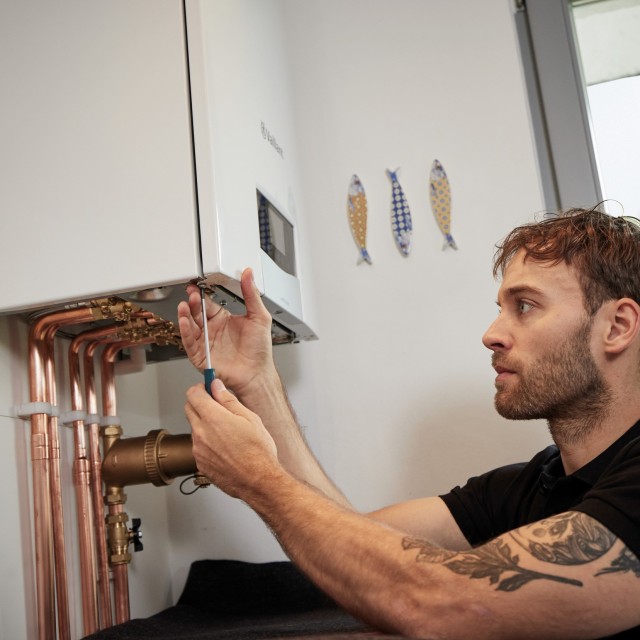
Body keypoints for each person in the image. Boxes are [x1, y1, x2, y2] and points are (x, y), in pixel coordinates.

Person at [177, 207, 640, 640]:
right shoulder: (533, 485)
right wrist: (260, 383)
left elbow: (442, 601)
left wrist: (259, 478)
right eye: (501, 307)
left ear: (617, 326)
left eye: (525, 306)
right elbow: (359, 552)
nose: (491, 334)